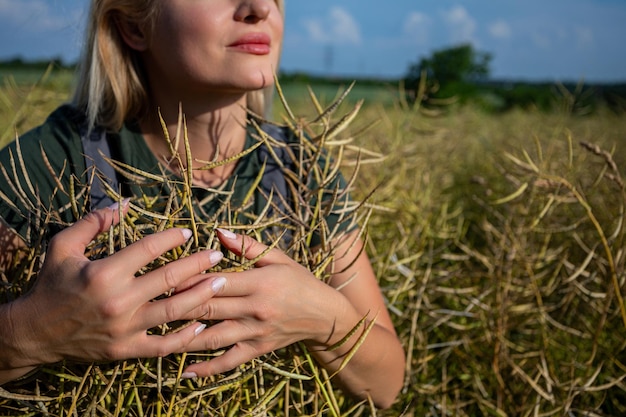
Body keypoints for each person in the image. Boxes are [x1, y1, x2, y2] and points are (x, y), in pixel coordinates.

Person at [0, 0, 405, 409]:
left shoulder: (301, 172)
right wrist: (34, 332)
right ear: (133, 26)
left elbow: (385, 385)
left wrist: (319, 315)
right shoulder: (51, 164)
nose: (259, 8)